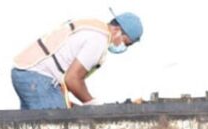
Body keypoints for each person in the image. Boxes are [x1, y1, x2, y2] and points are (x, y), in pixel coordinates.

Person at [11, 13, 143, 110]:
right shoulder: (99, 40)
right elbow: (72, 79)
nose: (123, 46)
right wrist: (92, 104)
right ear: (117, 30)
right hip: (37, 78)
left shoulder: (93, 26)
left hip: (26, 73)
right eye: (126, 43)